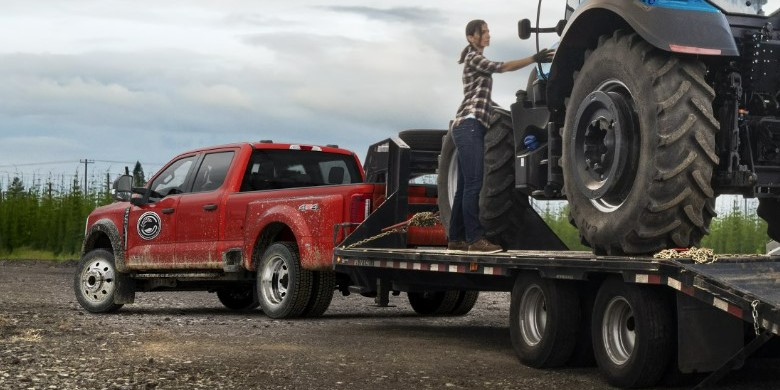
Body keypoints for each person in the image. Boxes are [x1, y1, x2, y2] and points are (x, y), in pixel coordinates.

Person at [448, 19, 554, 253]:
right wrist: (534, 59)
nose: (488, 35)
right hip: (469, 125)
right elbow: (503, 67)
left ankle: (455, 239)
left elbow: (481, 98)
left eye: (488, 31)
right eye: (483, 32)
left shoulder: (474, 60)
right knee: (474, 184)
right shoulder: (474, 58)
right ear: (471, 37)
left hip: (470, 124)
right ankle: (475, 239)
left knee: (464, 185)